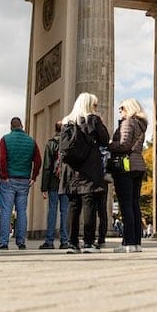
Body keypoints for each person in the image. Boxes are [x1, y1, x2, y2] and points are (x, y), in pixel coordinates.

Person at [60, 92, 109, 254]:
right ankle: (88, 242)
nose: (96, 107)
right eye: (94, 105)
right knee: (90, 206)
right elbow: (104, 140)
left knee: (73, 206)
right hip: (89, 169)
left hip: (71, 170)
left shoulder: (67, 121)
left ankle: (73, 243)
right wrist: (98, 121)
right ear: (90, 105)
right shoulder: (93, 120)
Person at [0, 116, 41, 250]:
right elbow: (38, 161)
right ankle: (21, 242)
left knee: (6, 211)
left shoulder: (5, 139)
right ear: (22, 126)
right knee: (21, 211)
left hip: (9, 179)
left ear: (11, 127)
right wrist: (34, 176)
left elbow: (2, 159)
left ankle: (4, 242)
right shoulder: (31, 141)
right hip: (24, 180)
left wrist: (4, 175)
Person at [110, 99, 148, 253]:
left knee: (126, 205)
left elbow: (124, 144)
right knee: (134, 205)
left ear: (129, 109)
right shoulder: (141, 124)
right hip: (138, 165)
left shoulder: (128, 123)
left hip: (126, 166)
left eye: (121, 108)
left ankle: (128, 243)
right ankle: (136, 242)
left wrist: (109, 144)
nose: (120, 112)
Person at [39, 121, 69, 249]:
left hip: (53, 183)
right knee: (65, 212)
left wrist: (43, 187)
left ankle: (49, 241)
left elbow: (46, 167)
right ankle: (65, 241)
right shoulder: (69, 144)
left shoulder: (51, 144)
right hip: (67, 183)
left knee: (52, 211)